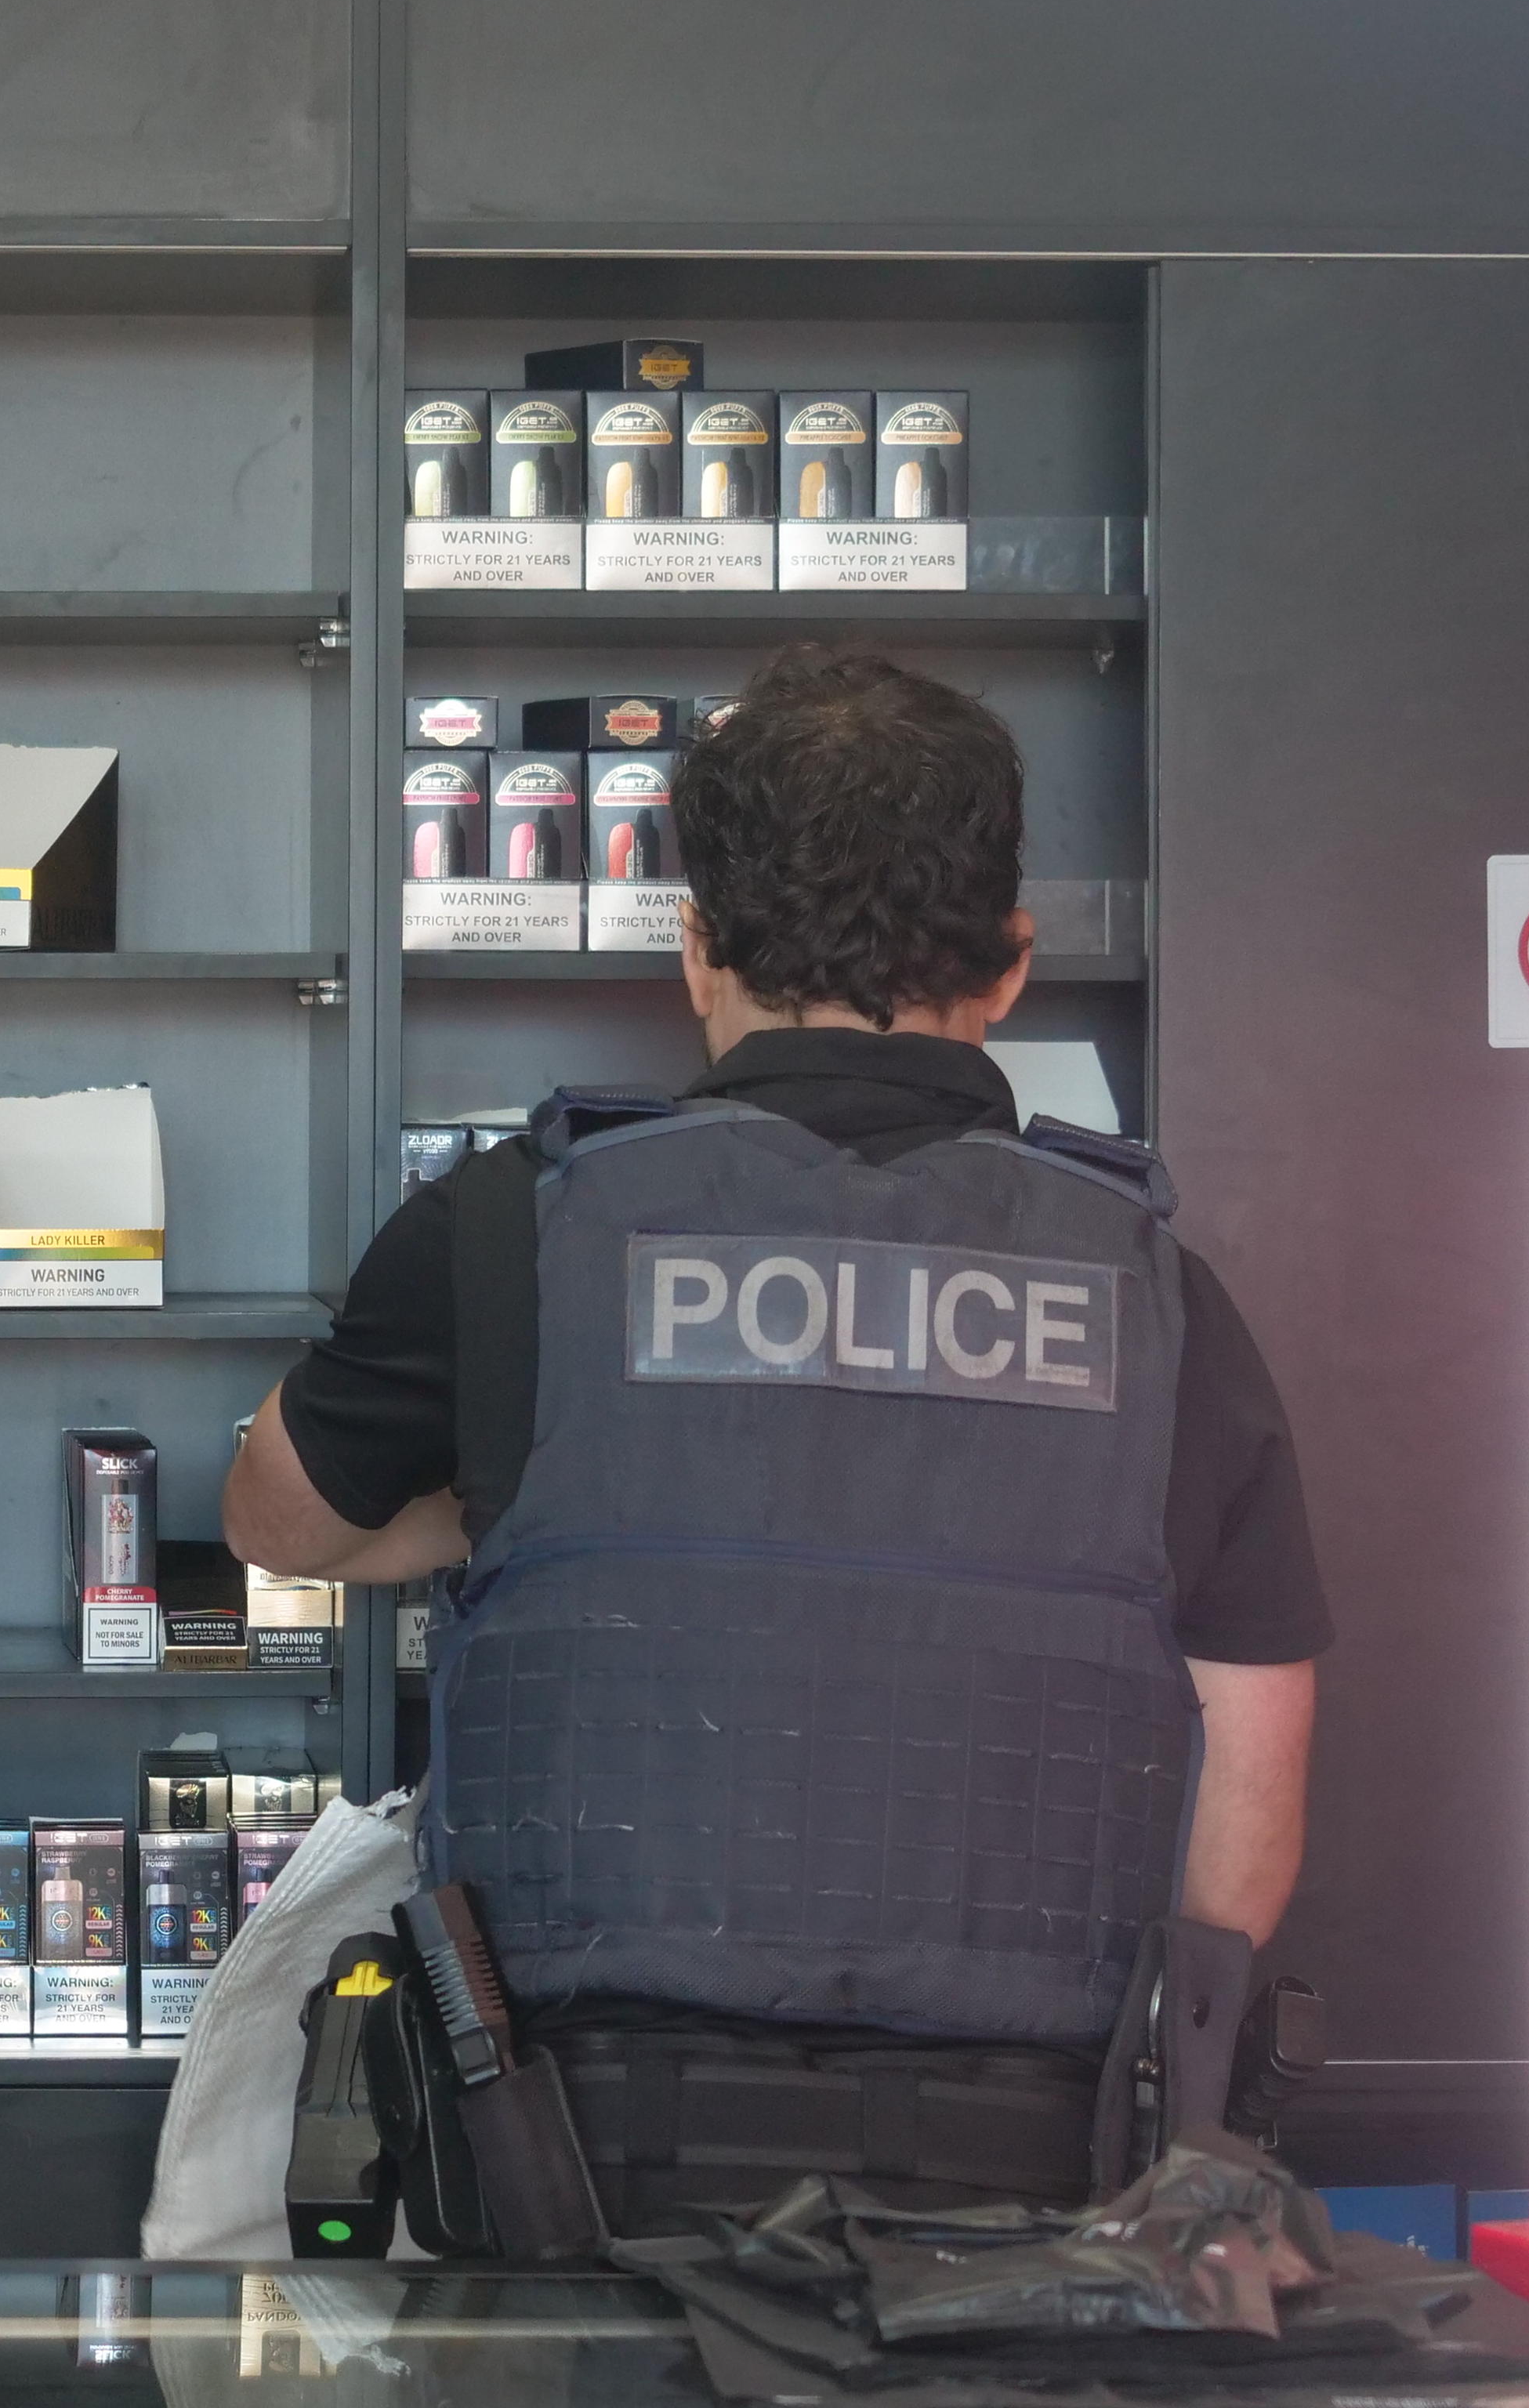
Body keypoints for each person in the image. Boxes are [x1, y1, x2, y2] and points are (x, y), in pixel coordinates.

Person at [230, 643, 1328, 2219]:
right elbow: (1250, 1818)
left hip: (570, 2167)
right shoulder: (1158, 1299)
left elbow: (279, 1523)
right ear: (1010, 964)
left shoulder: (501, 1240)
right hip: (1020, 2191)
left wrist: (501, 1502)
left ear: (693, 949)